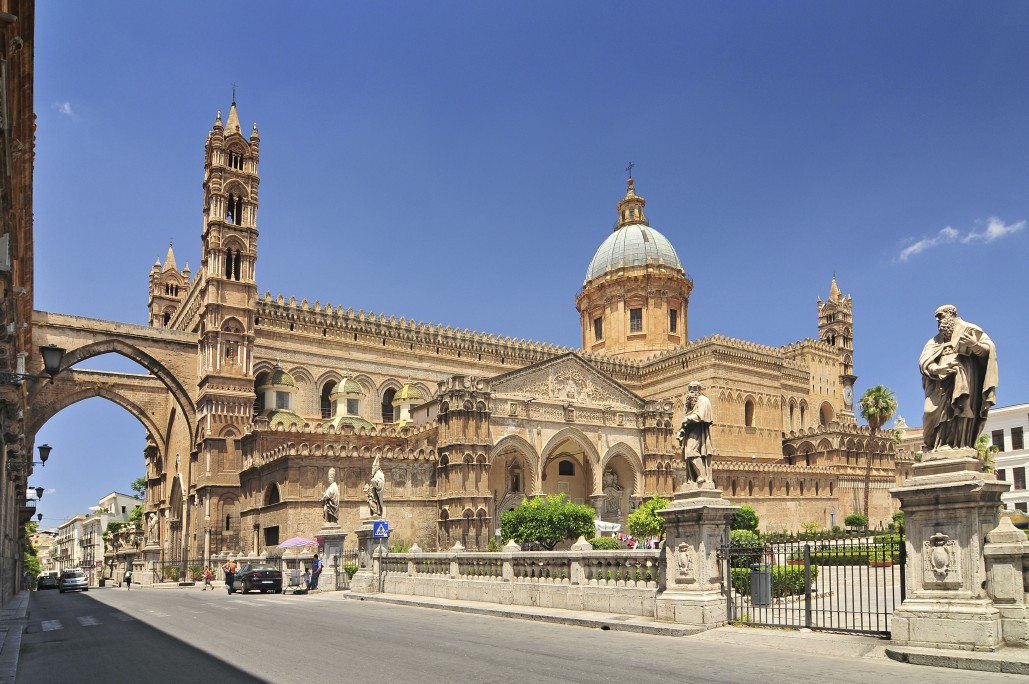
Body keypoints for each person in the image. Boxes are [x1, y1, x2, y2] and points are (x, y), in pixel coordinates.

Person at [920, 305, 998, 452]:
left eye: (941, 315)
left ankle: (960, 445)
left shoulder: (970, 329)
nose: (938, 320)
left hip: (966, 377)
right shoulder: (934, 341)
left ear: (952, 314)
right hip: (940, 382)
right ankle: (936, 444)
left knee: (962, 409)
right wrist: (937, 369)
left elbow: (988, 351)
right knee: (930, 412)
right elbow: (924, 362)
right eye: (937, 317)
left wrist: (974, 345)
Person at [677, 381, 716, 486]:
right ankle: (694, 478)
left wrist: (687, 419)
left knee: (691, 452)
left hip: (699, 431)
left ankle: (702, 475)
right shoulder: (689, 403)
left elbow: (701, 415)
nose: (691, 391)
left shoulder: (703, 400)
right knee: (688, 454)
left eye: (694, 388)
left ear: (699, 389)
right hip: (690, 431)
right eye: (690, 389)